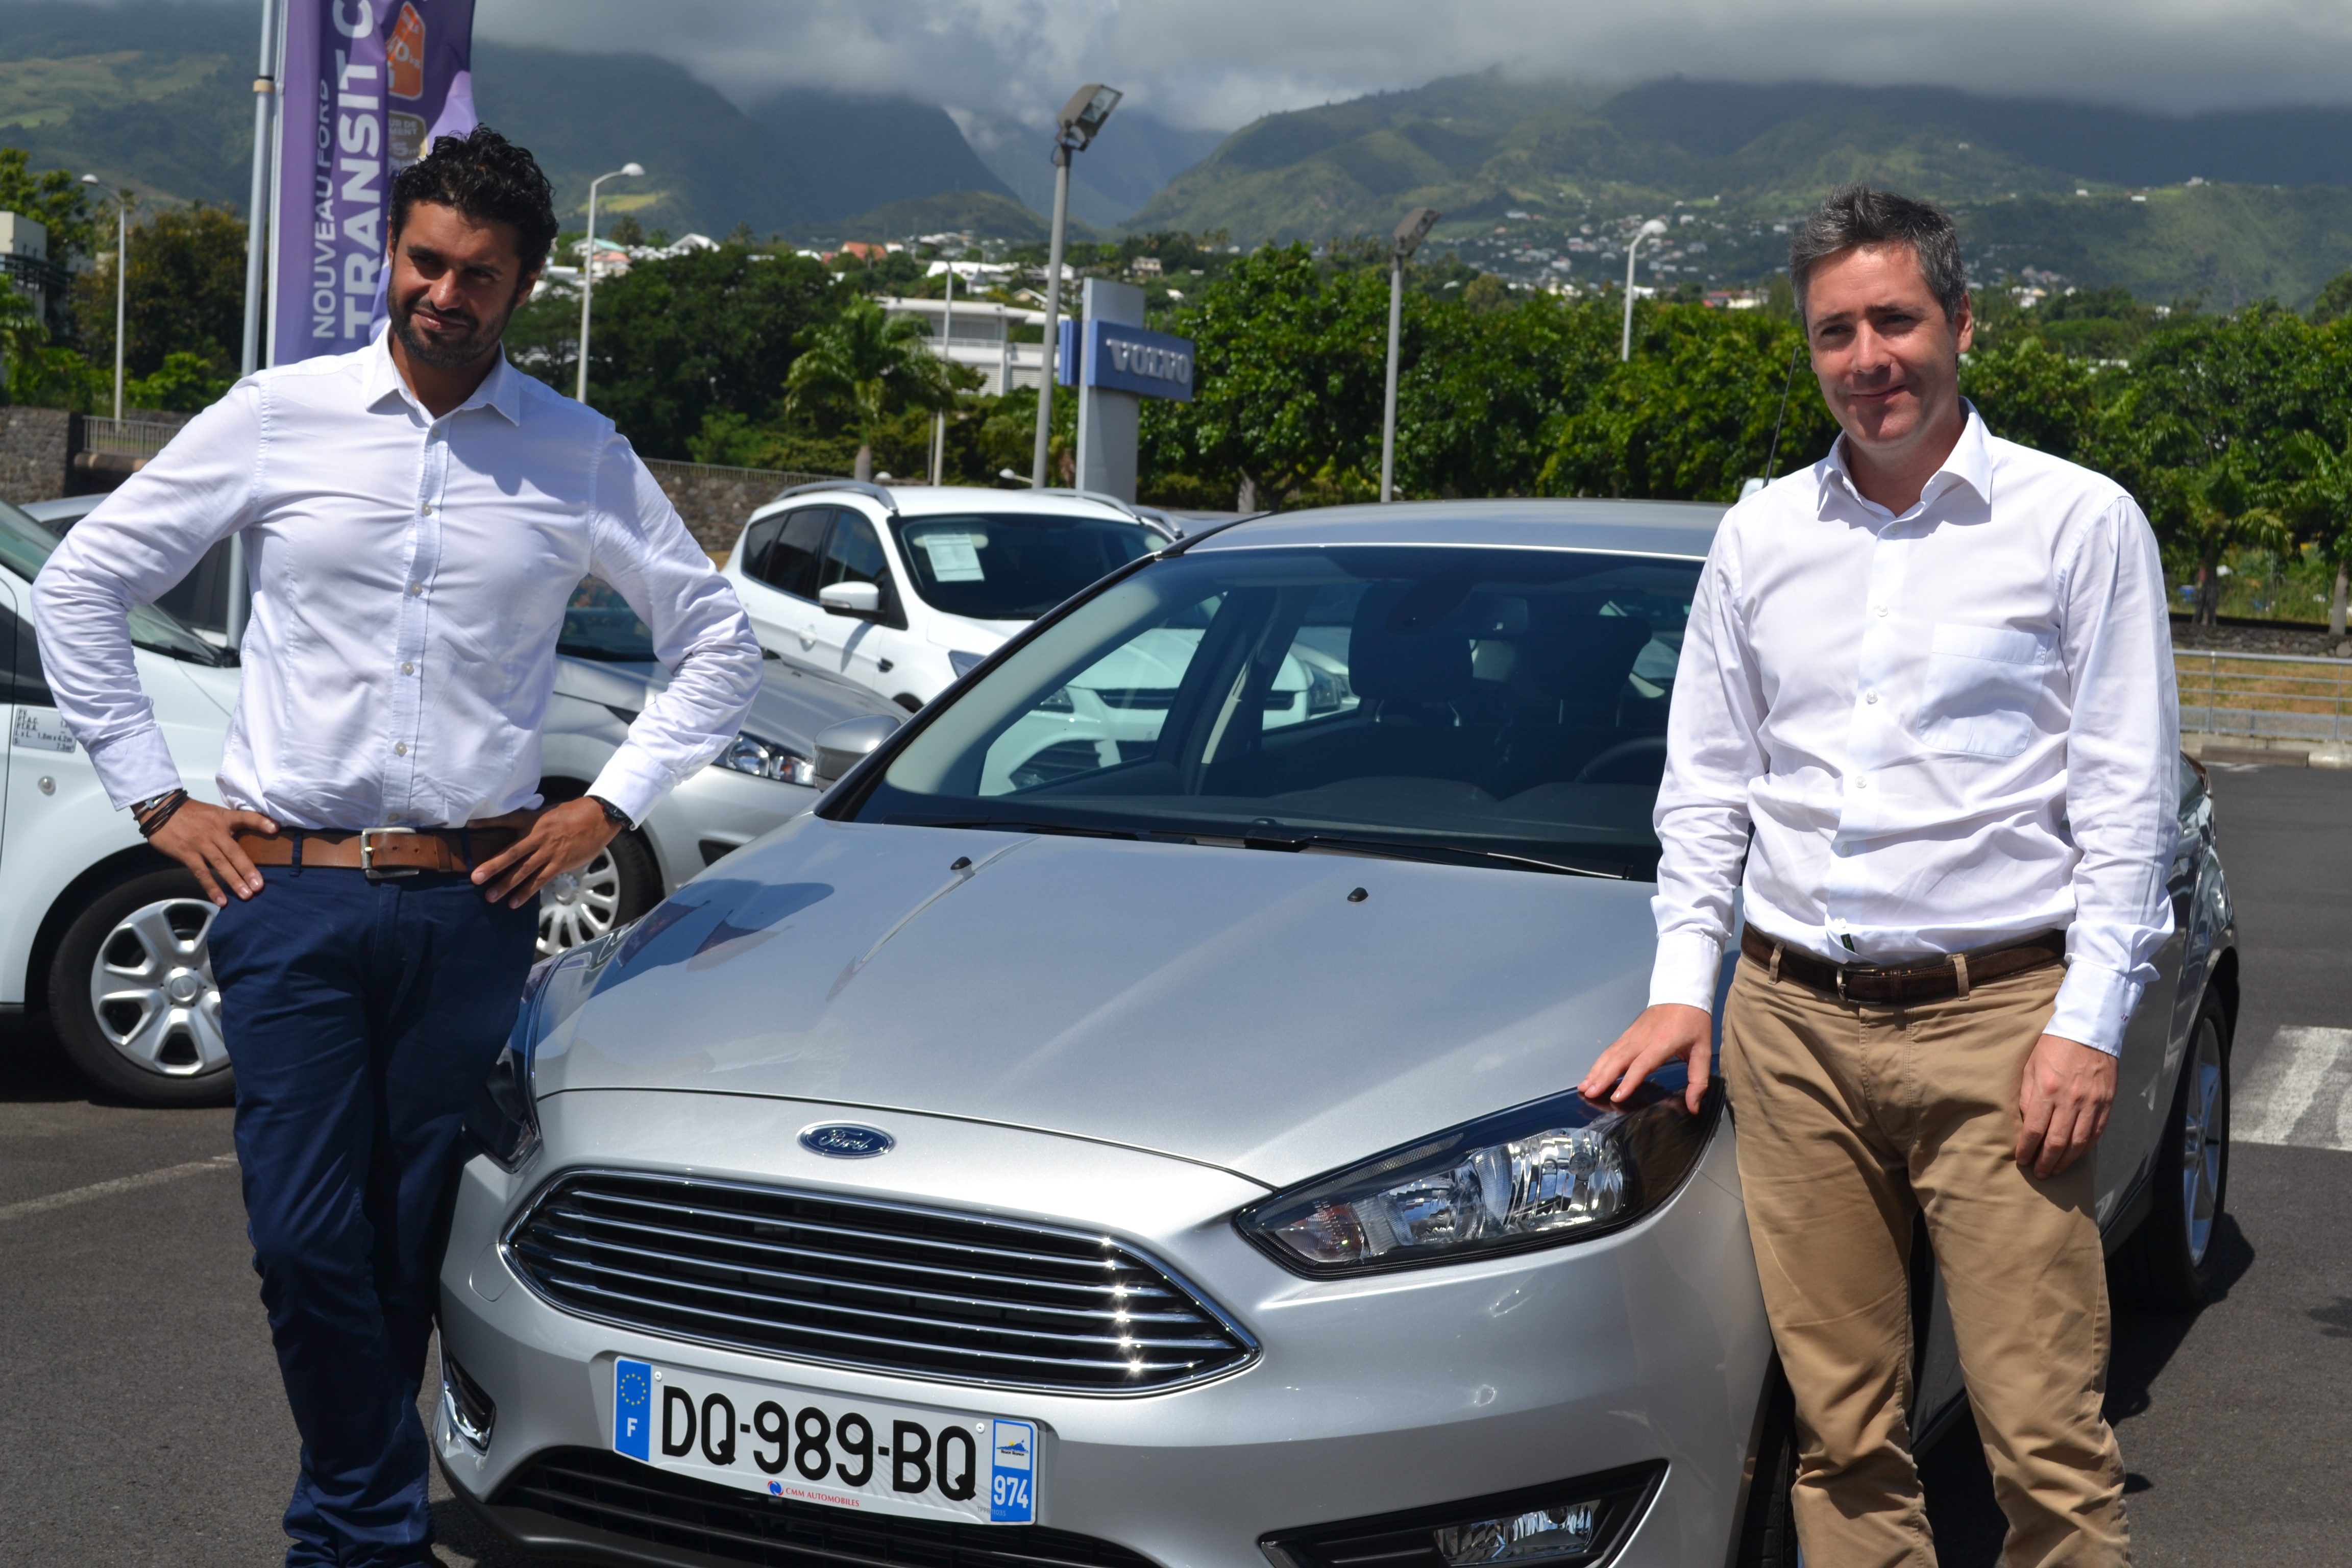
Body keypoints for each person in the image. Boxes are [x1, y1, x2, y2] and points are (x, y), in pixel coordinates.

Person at [34, 127, 763, 1566]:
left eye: (478, 274)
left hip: (467, 911)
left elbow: (716, 645)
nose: (445, 292)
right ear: (393, 254)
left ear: (524, 286)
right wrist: (156, 801)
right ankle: (364, 1526)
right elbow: (80, 587)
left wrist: (603, 808)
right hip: (285, 896)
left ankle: (345, 1526)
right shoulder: (279, 414)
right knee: (305, 1241)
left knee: (409, 1243)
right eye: (425, 260)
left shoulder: (578, 454)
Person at [1580, 183, 2175, 1568]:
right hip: (1791, 1031)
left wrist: (2089, 1024)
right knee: (1844, 1440)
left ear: (1962, 325)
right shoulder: (1763, 537)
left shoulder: (2078, 524)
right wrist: (1684, 990)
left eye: (1896, 320)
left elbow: (2129, 799)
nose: (1870, 357)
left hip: (2000, 1030)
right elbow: (1710, 788)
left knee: (2046, 1443)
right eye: (1836, 331)